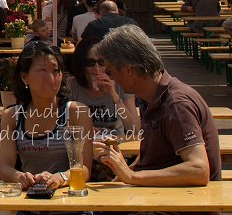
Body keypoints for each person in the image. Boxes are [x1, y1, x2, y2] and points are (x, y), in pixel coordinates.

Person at [94, 25, 220, 186]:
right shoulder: (152, 97)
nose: (110, 78)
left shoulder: (176, 103)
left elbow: (199, 170)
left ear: (128, 69)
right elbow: (153, 160)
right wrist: (122, 170)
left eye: (110, 71)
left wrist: (131, 177)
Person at [0, 41, 94, 191]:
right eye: (43, 71)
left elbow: (85, 168)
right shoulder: (12, 116)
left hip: (67, 201)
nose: (51, 78)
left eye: (56, 71)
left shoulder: (76, 113)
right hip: (30, 201)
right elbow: (5, 168)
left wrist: (59, 178)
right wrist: (19, 177)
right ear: (25, 77)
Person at [67, 40, 139, 142]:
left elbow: (135, 130)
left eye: (101, 62)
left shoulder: (120, 84)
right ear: (81, 65)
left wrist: (114, 95)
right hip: (85, 144)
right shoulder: (72, 86)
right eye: (90, 63)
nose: (97, 69)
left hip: (115, 146)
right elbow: (62, 124)